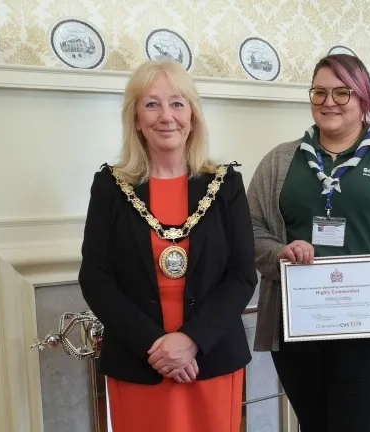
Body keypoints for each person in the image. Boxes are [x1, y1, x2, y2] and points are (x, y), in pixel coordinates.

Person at [247, 54, 370, 432]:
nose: (328, 101)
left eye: (341, 92)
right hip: (299, 327)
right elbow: (250, 227)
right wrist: (278, 254)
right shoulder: (280, 161)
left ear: (363, 98)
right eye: (319, 92)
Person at [78, 59, 257, 432]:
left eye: (177, 103)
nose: (166, 116)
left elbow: (241, 275)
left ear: (193, 115)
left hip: (210, 356)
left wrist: (192, 340)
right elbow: (96, 277)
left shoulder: (225, 186)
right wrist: (156, 345)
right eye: (152, 104)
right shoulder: (110, 187)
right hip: (139, 357)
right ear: (136, 119)